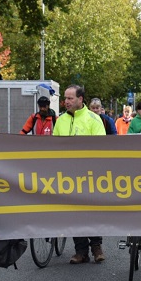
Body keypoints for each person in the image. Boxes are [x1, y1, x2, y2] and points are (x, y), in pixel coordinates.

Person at [53, 85, 107, 264]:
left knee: (92, 211)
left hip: (89, 174)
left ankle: (96, 246)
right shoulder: (60, 120)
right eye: (65, 99)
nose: (66, 102)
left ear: (80, 99)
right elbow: (52, 147)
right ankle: (80, 251)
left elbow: (101, 148)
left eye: (70, 98)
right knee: (74, 213)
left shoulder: (94, 119)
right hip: (67, 175)